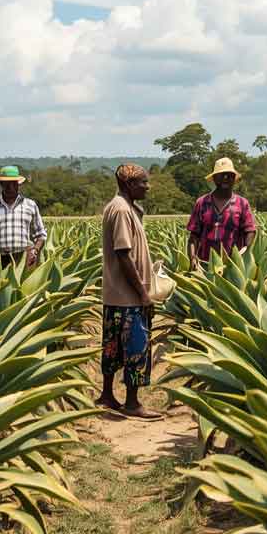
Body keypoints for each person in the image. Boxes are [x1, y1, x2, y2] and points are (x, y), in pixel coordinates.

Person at [96, 164, 162, 420]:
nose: (147, 187)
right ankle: (132, 403)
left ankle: (107, 395)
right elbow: (124, 255)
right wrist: (143, 295)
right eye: (142, 182)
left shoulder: (119, 206)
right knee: (136, 347)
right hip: (129, 296)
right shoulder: (123, 210)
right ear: (128, 184)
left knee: (112, 347)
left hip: (114, 294)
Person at [186, 157, 257, 269]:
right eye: (221, 174)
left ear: (234, 179)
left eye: (229, 175)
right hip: (205, 265)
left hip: (233, 267)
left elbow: (250, 230)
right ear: (214, 178)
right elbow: (193, 236)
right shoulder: (202, 203)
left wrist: (246, 250)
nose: (225, 178)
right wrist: (192, 258)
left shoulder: (242, 203)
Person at [0, 166, 47, 268]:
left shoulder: (30, 205)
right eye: (6, 184)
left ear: (18, 184)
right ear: (1, 184)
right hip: (2, 260)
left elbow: (41, 235)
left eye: (13, 183)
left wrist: (35, 250)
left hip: (26, 258)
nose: (10, 187)